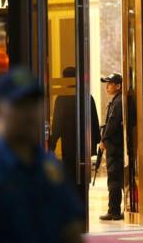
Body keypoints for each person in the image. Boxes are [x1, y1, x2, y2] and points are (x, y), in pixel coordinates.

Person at [0, 68, 84, 243]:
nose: (30, 113)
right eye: (20, 105)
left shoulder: (52, 170)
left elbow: (70, 232)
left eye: (35, 104)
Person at [49, 67, 101, 201]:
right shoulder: (87, 97)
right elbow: (94, 123)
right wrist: (94, 144)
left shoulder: (62, 99)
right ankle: (83, 201)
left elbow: (57, 125)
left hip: (69, 146)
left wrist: (52, 144)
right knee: (83, 178)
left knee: (70, 177)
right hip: (85, 147)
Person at [99, 73, 124, 221]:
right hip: (115, 145)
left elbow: (112, 124)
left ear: (118, 86)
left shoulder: (118, 102)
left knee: (114, 179)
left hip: (115, 146)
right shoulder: (117, 100)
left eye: (110, 83)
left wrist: (104, 139)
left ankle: (113, 211)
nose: (107, 86)